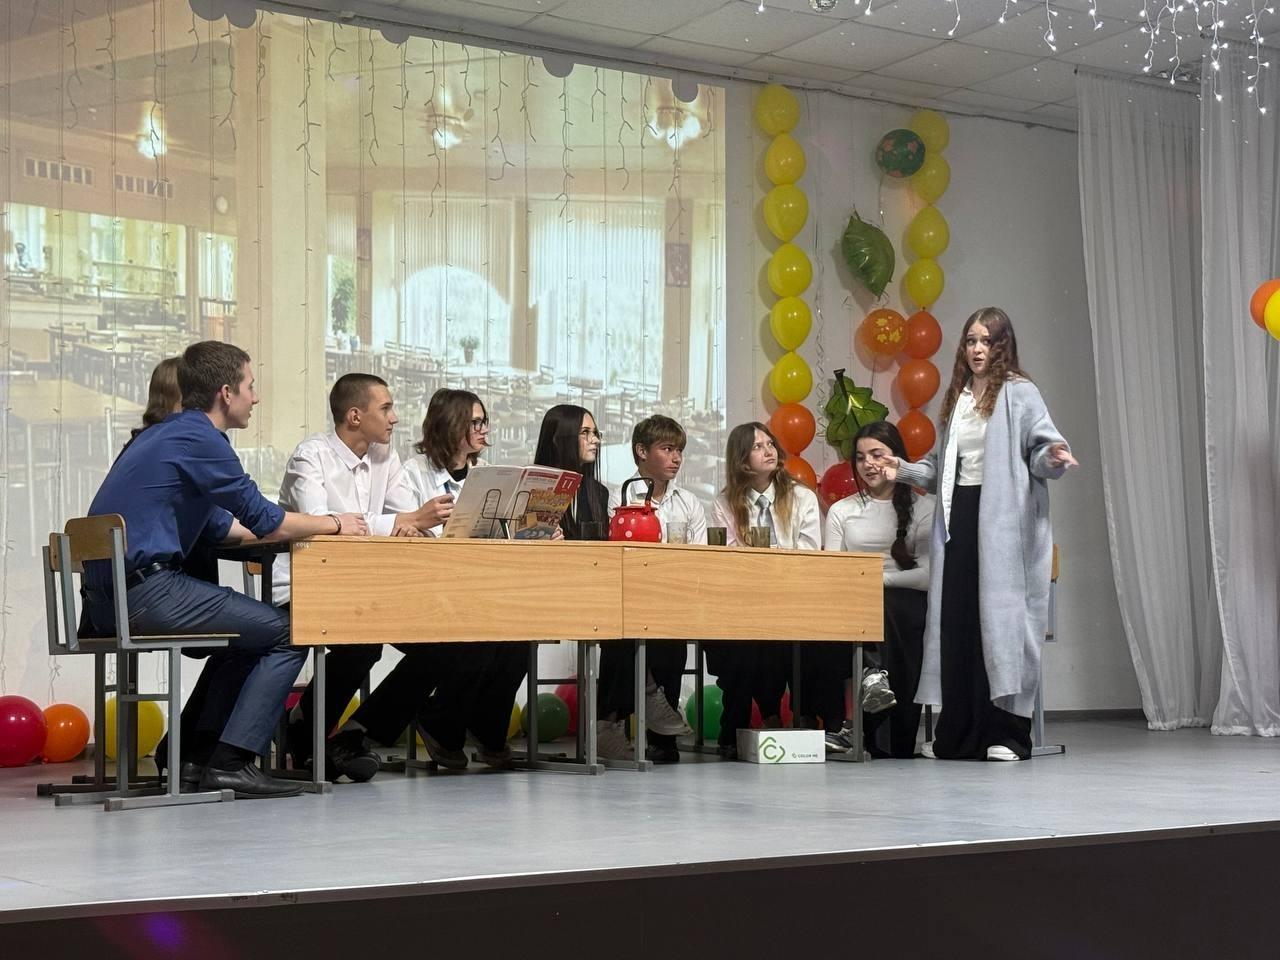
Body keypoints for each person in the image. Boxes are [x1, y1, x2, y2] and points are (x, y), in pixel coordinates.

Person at [83, 341, 370, 799]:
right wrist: (335, 523)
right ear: (226, 393)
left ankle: (195, 756)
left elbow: (225, 527)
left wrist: (287, 526)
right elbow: (264, 519)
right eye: (250, 386)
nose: (256, 397)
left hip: (104, 601)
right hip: (145, 592)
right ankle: (233, 762)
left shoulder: (165, 435)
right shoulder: (200, 438)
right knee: (290, 631)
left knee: (245, 637)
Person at [883, 307, 1077, 761]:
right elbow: (940, 469)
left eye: (986, 341)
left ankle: (1007, 735)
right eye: (971, 340)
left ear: (1001, 345)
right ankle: (958, 735)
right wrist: (902, 469)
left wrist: (1054, 458)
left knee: (1003, 628)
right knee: (960, 624)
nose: (976, 349)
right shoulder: (959, 398)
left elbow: (1041, 448)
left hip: (1003, 524)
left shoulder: (1020, 393)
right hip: (959, 519)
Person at [276, 373, 453, 782]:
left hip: (366, 589)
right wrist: (403, 521)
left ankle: (356, 733)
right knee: (362, 642)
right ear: (355, 416)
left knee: (443, 642)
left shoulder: (385, 457)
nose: (395, 418)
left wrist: (410, 526)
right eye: (385, 408)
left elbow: (409, 519)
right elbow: (320, 524)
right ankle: (306, 730)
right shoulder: (311, 456)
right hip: (310, 586)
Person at [344, 388, 519, 770]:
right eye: (476, 422)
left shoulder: (489, 476)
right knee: (467, 637)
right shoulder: (412, 473)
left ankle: (482, 731)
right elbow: (407, 531)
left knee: (518, 634)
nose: (484, 429)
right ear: (450, 424)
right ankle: (435, 724)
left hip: (470, 590)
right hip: (419, 591)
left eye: (485, 421)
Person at [710, 422, 821, 758]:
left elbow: (810, 552)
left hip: (794, 597)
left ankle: (784, 717)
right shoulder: (725, 502)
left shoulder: (802, 497)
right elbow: (726, 557)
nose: (768, 450)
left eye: (770, 444)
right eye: (758, 446)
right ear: (741, 459)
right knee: (741, 639)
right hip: (743, 599)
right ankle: (749, 719)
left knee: (779, 639)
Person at [598, 415, 704, 763]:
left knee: (670, 636)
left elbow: (698, 555)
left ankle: (658, 732)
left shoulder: (689, 502)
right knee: (625, 633)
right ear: (641, 451)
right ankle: (614, 721)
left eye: (679, 451)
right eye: (667, 449)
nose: (676, 458)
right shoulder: (618, 497)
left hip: (672, 595)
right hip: (626, 595)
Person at [825, 420, 934, 759]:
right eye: (860, 458)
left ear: (897, 458)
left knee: (888, 605)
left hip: (903, 605)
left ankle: (862, 716)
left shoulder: (924, 508)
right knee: (863, 610)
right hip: (853, 602)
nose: (868, 464)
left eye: (877, 455)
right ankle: (869, 688)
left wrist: (875, 580)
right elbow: (832, 570)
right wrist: (863, 586)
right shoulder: (842, 511)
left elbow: (927, 576)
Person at [533, 404, 609, 541]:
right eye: (585, 432)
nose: (596, 440)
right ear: (558, 439)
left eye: (595, 433)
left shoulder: (600, 493)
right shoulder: (534, 489)